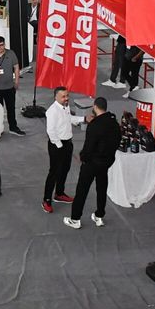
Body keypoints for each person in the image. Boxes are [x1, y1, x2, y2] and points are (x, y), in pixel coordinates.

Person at [64, 97, 122, 229]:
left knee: (82, 190)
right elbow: (117, 140)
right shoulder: (113, 122)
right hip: (106, 162)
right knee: (102, 188)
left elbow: (89, 147)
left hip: (91, 163)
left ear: (95, 107)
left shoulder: (94, 125)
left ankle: (75, 219)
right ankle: (99, 216)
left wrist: (83, 157)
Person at [42, 87, 79, 213]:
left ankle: (59, 193)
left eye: (67, 95)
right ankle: (46, 200)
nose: (66, 98)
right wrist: (59, 145)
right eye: (63, 96)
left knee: (65, 169)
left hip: (67, 143)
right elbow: (51, 131)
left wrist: (84, 119)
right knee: (54, 172)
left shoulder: (65, 106)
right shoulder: (52, 111)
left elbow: (69, 119)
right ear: (55, 97)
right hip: (57, 145)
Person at [0, 36, 24, 135]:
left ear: (4, 44)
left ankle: (13, 127)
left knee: (11, 108)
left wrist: (16, 81)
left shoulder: (11, 53)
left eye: (1, 45)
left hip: (9, 87)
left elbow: (16, 67)